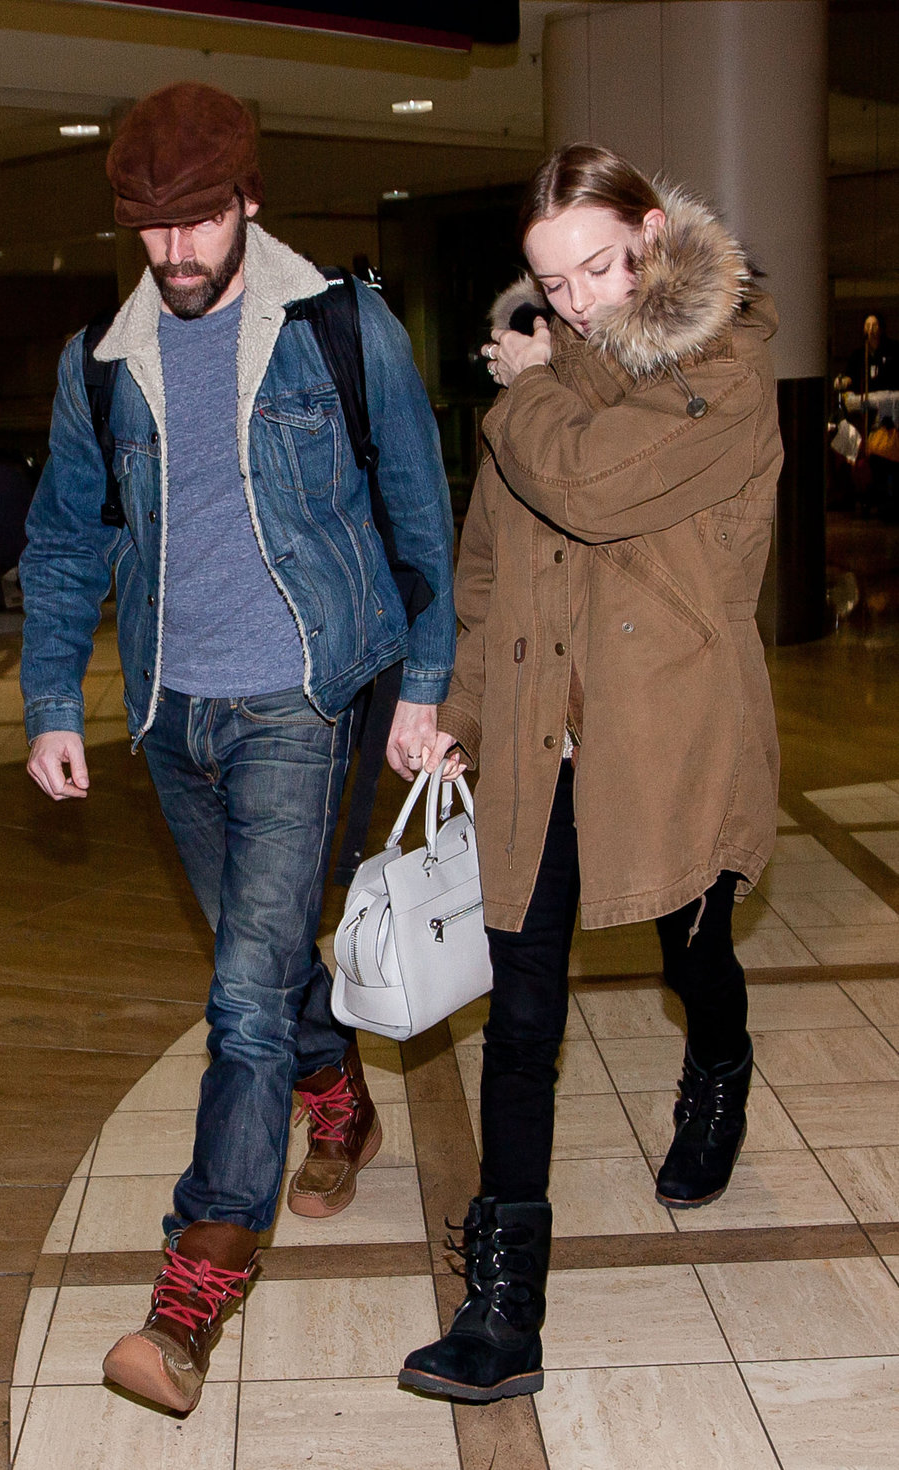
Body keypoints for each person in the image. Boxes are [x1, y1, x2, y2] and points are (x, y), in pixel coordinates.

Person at [18, 82, 455, 1415]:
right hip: (171, 714)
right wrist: (50, 699)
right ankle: (340, 1101)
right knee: (254, 964)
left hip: (297, 700)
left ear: (248, 203)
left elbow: (419, 502)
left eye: (198, 222)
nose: (175, 254)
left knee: (241, 999)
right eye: (150, 230)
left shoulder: (339, 326)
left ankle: (189, 1293)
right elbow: (63, 539)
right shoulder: (101, 362)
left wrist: (424, 683)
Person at [400, 143, 782, 1403]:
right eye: (552, 284)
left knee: (691, 949)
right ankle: (504, 1315)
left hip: (667, 725)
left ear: (654, 234)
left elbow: (591, 483)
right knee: (520, 1018)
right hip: (534, 730)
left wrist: (520, 388)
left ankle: (717, 1071)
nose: (577, 302)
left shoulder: (726, 364)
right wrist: (458, 705)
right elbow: (493, 558)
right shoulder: (552, 376)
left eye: (601, 268)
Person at [845, 313, 899, 397]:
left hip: (888, 399)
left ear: (881, 329)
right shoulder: (857, 354)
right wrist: (846, 380)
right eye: (867, 325)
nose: (870, 330)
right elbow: (850, 375)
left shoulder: (893, 349)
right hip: (865, 398)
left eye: (874, 325)